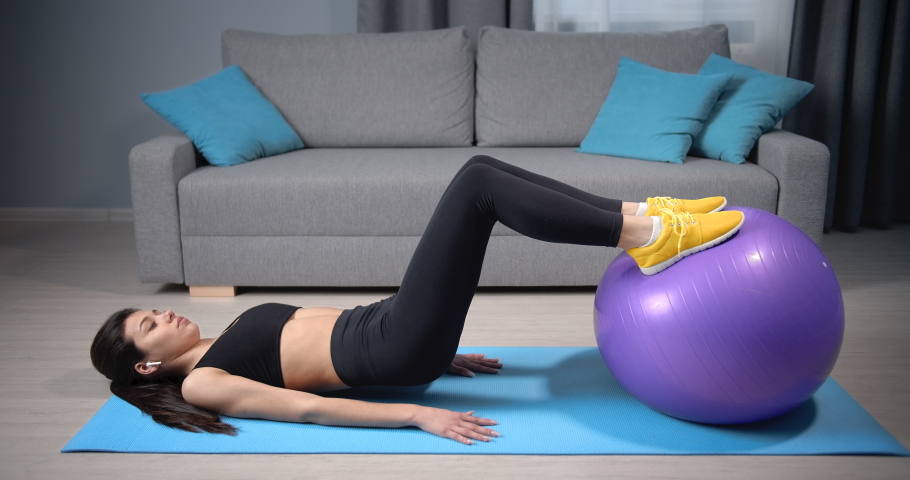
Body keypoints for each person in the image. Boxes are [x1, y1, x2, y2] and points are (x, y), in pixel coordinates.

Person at [91, 155, 743, 445]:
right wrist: (415, 415)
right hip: (395, 342)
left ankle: (645, 215)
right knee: (480, 185)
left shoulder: (218, 342)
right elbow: (310, 407)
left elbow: (315, 344)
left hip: (392, 328)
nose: (165, 314)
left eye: (153, 310)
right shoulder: (205, 384)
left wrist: (440, 358)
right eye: (150, 324)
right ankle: (650, 234)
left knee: (478, 171)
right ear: (146, 364)